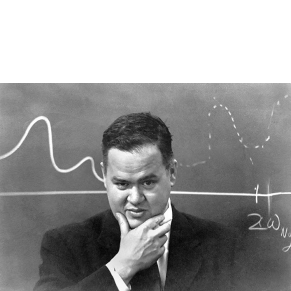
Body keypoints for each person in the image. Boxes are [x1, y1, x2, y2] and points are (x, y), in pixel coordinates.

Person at [34, 112, 242, 291]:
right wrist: (122, 267)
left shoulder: (225, 246)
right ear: (104, 176)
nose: (135, 199)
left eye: (148, 182)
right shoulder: (65, 245)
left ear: (172, 172)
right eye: (122, 184)